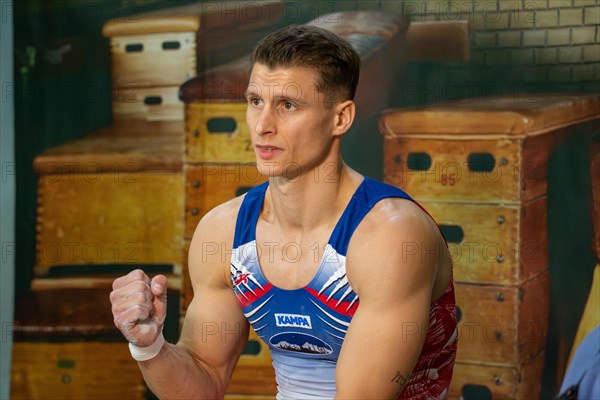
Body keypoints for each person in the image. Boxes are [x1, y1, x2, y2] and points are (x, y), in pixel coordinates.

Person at [110, 24, 457, 399]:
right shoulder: (224, 232)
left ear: (340, 118)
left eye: (288, 105)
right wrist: (149, 346)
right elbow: (203, 382)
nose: (262, 126)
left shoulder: (391, 236)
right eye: (255, 101)